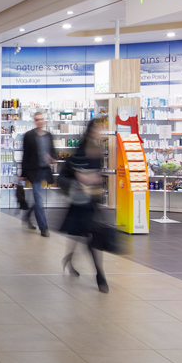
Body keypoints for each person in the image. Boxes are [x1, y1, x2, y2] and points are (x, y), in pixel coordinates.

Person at [59, 118, 109, 292]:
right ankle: (100, 275)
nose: (101, 132)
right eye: (99, 129)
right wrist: (85, 177)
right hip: (80, 200)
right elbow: (75, 171)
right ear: (91, 131)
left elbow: (96, 174)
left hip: (91, 200)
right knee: (88, 236)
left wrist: (97, 188)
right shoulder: (82, 149)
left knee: (81, 234)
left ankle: (69, 259)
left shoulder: (98, 150)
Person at [20, 112, 55, 236]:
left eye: (41, 119)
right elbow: (25, 155)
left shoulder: (49, 136)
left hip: (45, 170)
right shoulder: (29, 136)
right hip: (34, 171)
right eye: (36, 119)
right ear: (34, 121)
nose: (39, 121)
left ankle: (28, 215)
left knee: (38, 199)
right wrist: (23, 173)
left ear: (44, 120)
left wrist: (52, 158)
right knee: (38, 199)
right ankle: (43, 227)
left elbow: (53, 151)